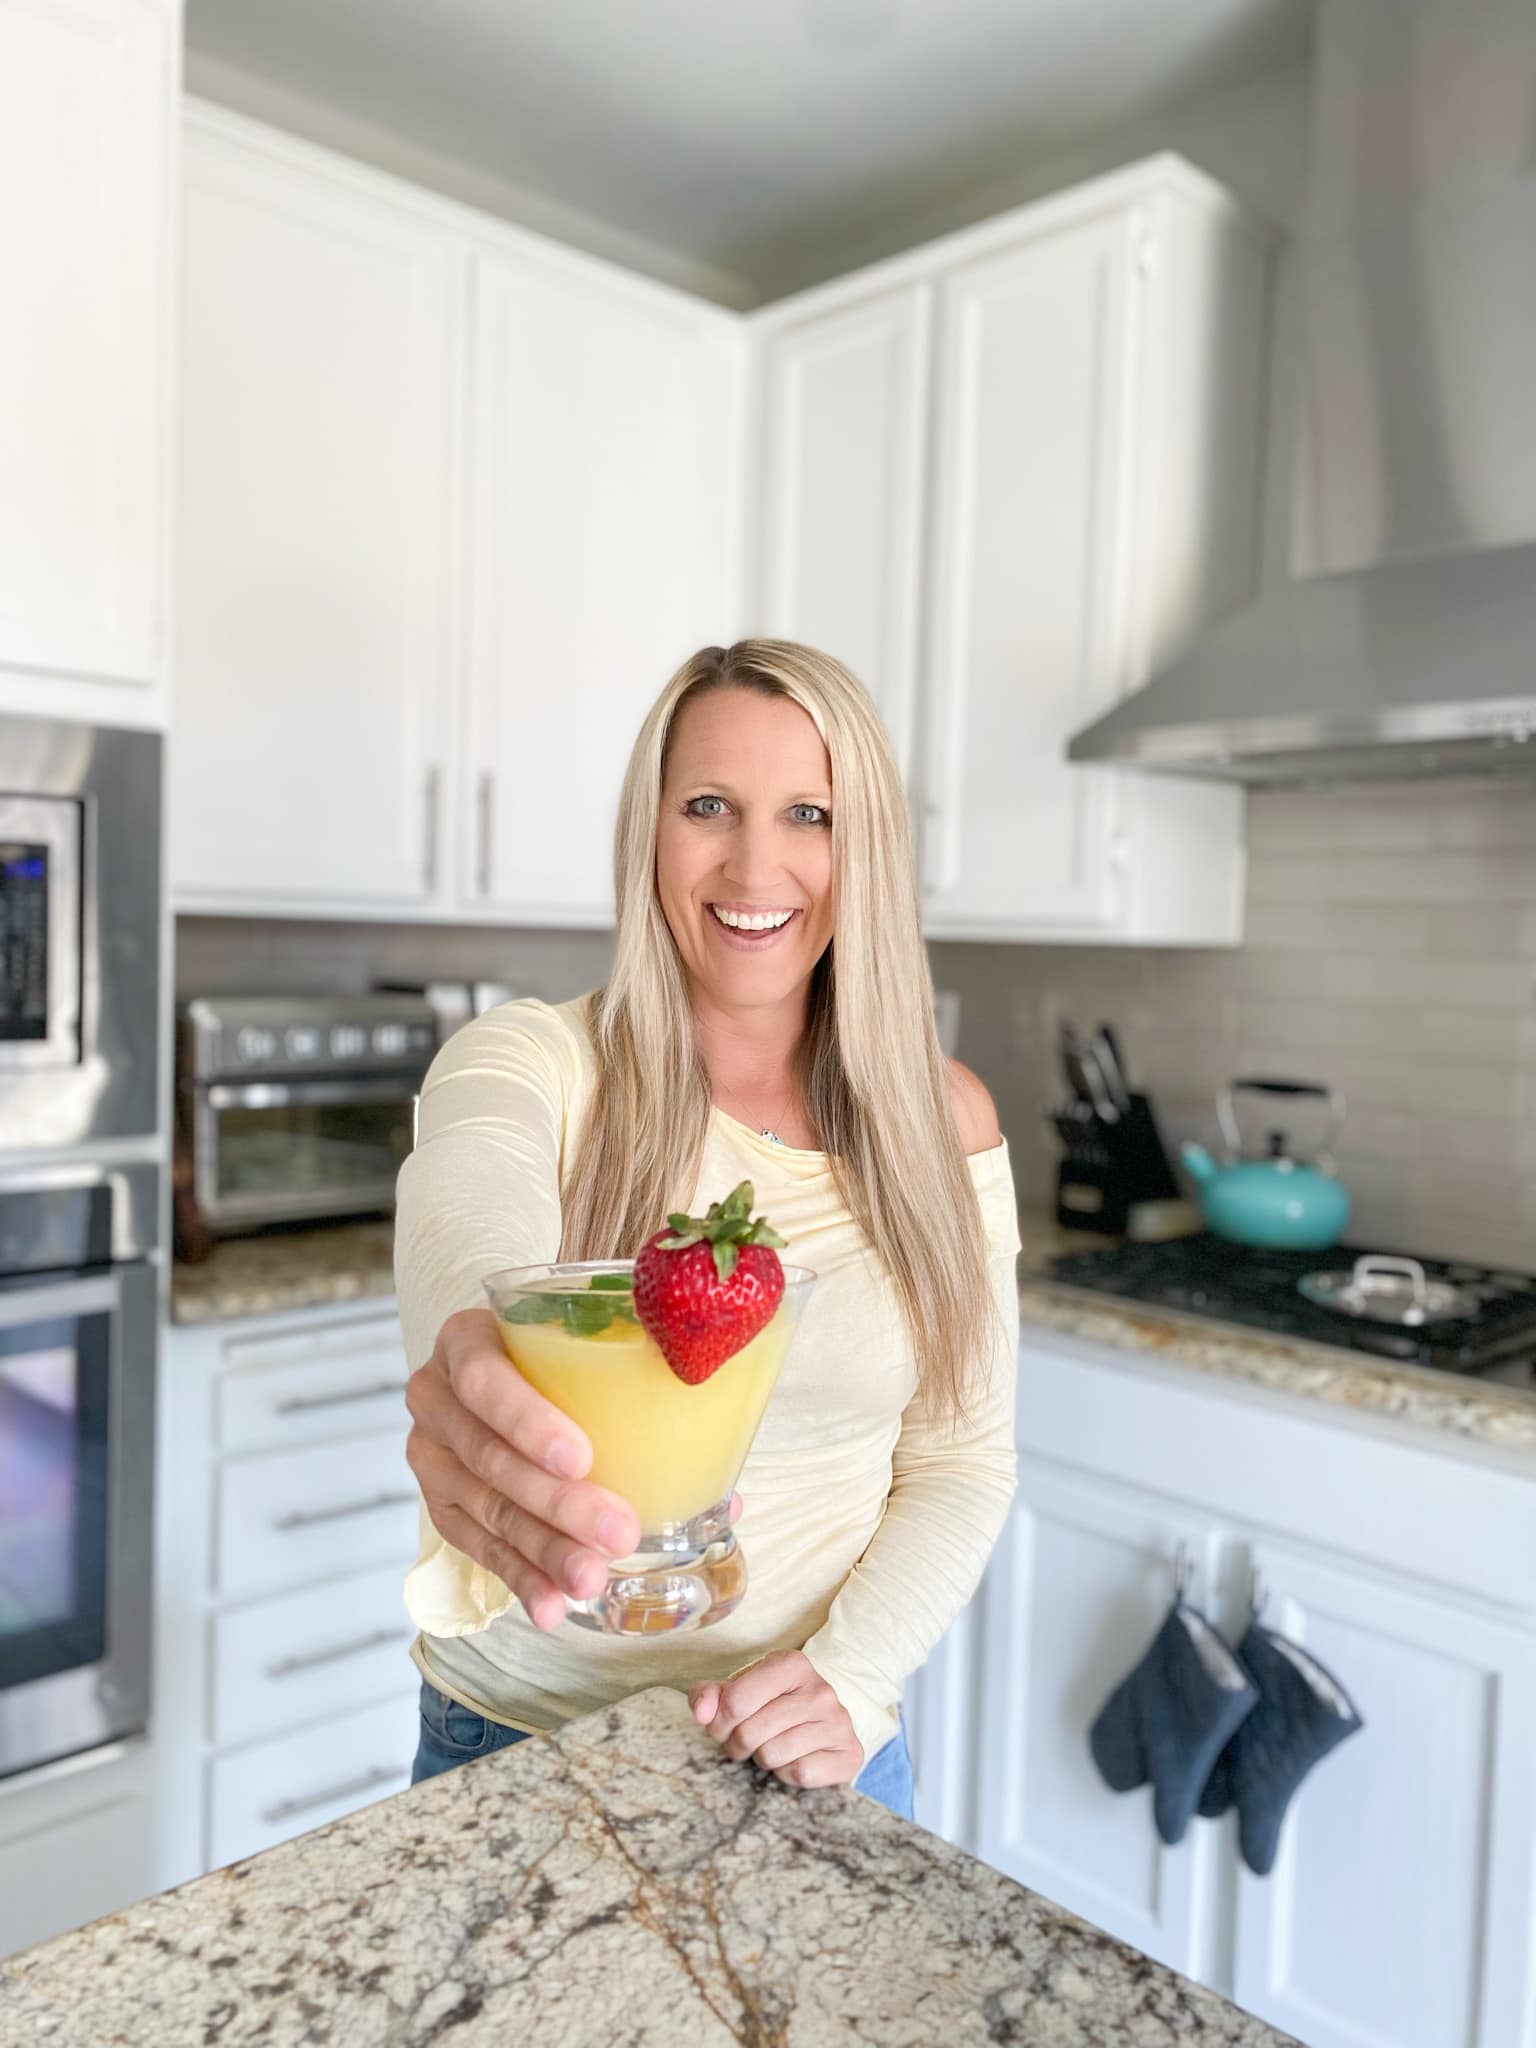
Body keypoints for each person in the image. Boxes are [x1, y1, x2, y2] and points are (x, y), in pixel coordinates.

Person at [396, 639, 1021, 1818]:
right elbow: (468, 1205)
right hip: (519, 1742)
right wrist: (471, 1345)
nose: (754, 863)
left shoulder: (945, 1123)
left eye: (808, 814)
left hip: (820, 1745)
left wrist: (850, 1678)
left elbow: (961, 1463)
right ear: (649, 830)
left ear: (866, 847)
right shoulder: (531, 1060)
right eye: (707, 806)